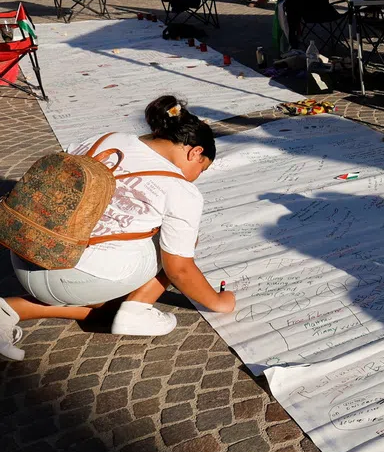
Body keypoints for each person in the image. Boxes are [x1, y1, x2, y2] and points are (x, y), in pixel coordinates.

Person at [0, 95, 236, 360]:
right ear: (196, 152)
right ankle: (137, 309)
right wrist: (218, 303)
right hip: (71, 278)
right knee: (179, 243)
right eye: (200, 169)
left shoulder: (107, 140)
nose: (196, 177)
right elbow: (179, 269)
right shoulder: (181, 190)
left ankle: (8, 310)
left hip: (26, 251)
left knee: (105, 304)